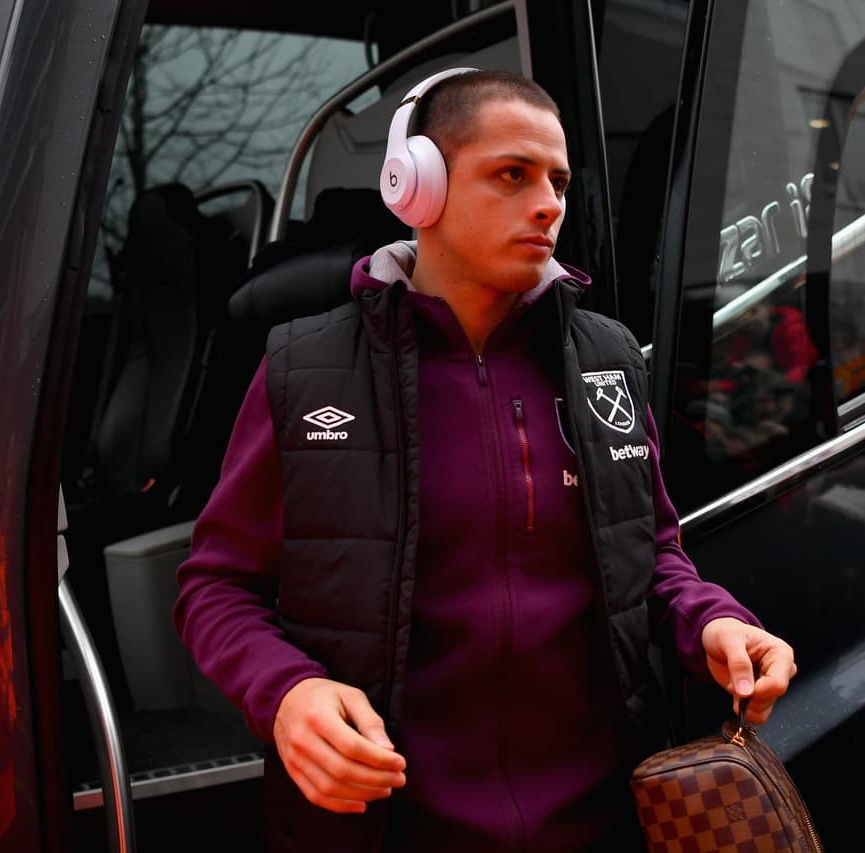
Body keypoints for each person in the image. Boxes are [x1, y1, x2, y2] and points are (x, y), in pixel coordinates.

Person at [174, 68, 796, 852]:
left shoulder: (606, 358)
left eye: (558, 181)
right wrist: (285, 691)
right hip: (386, 828)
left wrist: (713, 620)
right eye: (512, 174)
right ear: (416, 186)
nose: (548, 203)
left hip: (605, 821)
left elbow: (651, 555)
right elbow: (215, 587)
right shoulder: (305, 369)